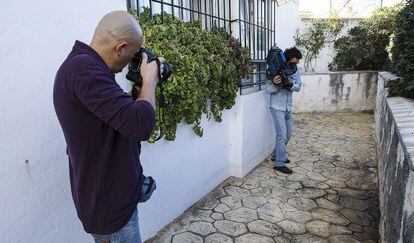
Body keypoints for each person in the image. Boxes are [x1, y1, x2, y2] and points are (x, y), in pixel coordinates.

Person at [53, 11, 162, 243]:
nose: (127, 65)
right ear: (120, 48)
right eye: (131, 56)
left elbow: (120, 119)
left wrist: (140, 87)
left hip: (109, 198)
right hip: (111, 209)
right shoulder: (85, 71)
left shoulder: (88, 68)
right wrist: (150, 80)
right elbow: (140, 125)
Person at [265, 47, 302, 174]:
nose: (295, 64)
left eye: (296, 62)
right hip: (276, 107)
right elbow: (268, 90)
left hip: (288, 107)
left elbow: (299, 86)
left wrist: (291, 85)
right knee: (281, 135)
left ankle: (276, 155)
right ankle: (279, 163)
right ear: (287, 59)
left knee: (288, 134)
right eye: (293, 62)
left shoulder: (295, 70)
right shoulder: (274, 70)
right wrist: (275, 83)